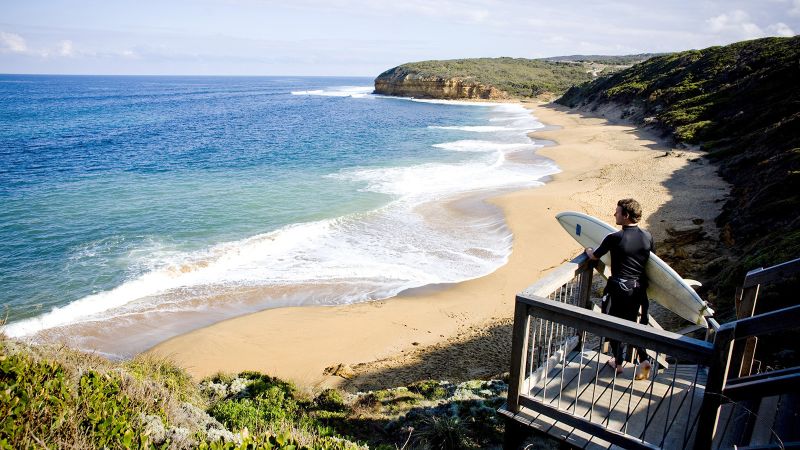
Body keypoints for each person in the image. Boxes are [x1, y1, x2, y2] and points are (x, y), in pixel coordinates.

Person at [585, 198, 653, 380]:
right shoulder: (648, 237)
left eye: (617, 212)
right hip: (638, 290)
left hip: (618, 289)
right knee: (632, 324)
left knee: (612, 323)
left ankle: (618, 362)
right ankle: (644, 359)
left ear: (626, 215)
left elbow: (594, 256)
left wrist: (588, 250)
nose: (614, 214)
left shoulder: (615, 238)